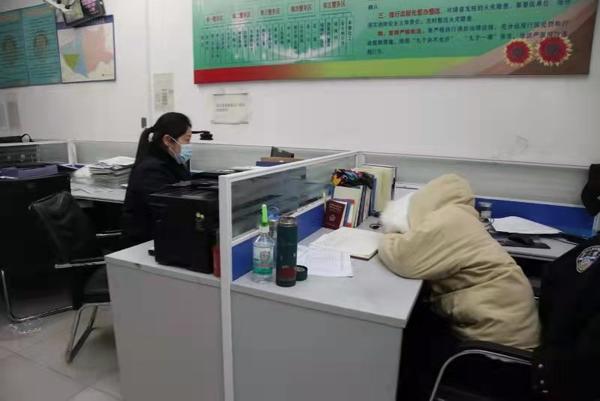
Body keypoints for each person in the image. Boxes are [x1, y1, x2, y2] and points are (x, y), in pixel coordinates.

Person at [122, 112, 193, 246]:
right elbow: (166, 210)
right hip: (147, 241)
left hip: (167, 234)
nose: (189, 145)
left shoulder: (172, 162)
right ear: (167, 140)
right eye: (187, 139)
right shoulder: (151, 169)